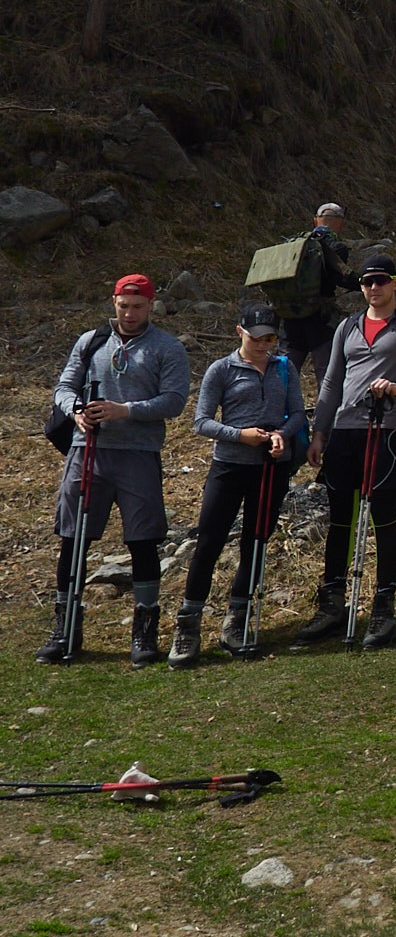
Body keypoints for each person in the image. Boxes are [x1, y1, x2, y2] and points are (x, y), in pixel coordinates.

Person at [37, 274, 192, 666]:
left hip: (137, 454)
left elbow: (173, 401)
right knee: (73, 538)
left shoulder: (167, 348)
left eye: (138, 306)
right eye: (124, 306)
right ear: (114, 303)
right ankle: (65, 627)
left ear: (151, 306)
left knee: (142, 540)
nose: (130, 313)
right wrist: (74, 411)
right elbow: (64, 387)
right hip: (86, 450)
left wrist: (125, 411)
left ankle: (144, 629)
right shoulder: (90, 342)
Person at [294, 255, 396, 649]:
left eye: (380, 280)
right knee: (340, 518)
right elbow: (331, 382)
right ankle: (332, 603)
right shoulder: (348, 326)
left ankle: (383, 606)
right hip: (345, 430)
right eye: (365, 282)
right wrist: (319, 433)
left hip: (388, 431)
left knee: (385, 520)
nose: (373, 288)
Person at [168, 303, 308, 668]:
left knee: (256, 541)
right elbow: (201, 421)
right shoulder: (222, 369)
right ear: (239, 332)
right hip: (229, 465)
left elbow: (296, 413)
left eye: (270, 338)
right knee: (209, 541)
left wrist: (281, 435)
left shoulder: (284, 367)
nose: (263, 344)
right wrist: (240, 436)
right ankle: (188, 623)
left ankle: (238, 618)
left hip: (270, 467)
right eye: (256, 337)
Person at [279, 202, 354, 394]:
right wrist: (366, 283)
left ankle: (276, 414)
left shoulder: (295, 243)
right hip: (319, 318)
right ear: (341, 223)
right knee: (325, 372)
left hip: (290, 315)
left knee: (285, 371)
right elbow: (340, 278)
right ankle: (324, 419)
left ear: (315, 221)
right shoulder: (336, 246)